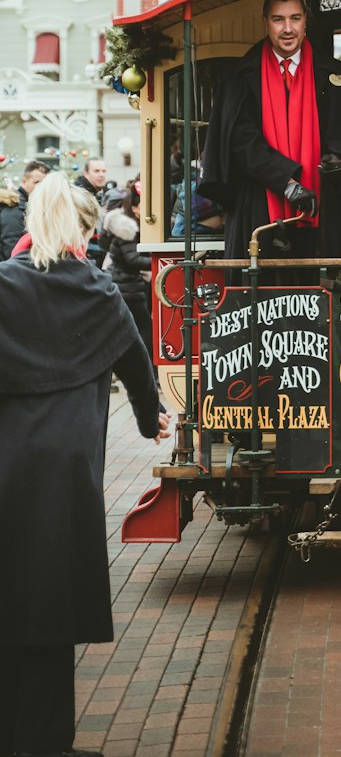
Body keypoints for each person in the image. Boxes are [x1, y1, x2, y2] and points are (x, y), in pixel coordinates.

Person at [0, 172, 170, 757]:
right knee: (50, 600)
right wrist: (152, 420)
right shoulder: (98, 291)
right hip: (66, 473)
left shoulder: (3, 287)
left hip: (5, 463)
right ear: (82, 229)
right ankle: (44, 741)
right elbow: (135, 363)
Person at [198, 0, 341, 264]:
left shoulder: (334, 76)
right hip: (260, 208)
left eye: (294, 19)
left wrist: (336, 160)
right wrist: (288, 183)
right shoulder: (241, 78)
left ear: (305, 21)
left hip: (324, 210)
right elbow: (241, 142)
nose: (287, 28)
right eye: (278, 19)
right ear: (265, 22)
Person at [103, 181, 154, 359]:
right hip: (127, 287)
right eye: (144, 205)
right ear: (134, 208)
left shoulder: (131, 226)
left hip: (126, 285)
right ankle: (149, 372)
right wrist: (158, 261)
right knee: (144, 328)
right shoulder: (127, 229)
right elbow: (133, 259)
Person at [0, 160, 49, 259]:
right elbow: (11, 251)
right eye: (36, 182)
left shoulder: (33, 205)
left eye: (44, 184)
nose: (41, 187)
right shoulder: (14, 208)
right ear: (24, 181)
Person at [74, 157, 109, 264]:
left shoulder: (99, 192)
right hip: (85, 252)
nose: (101, 174)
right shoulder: (79, 195)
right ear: (86, 173)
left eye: (103, 171)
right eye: (96, 171)